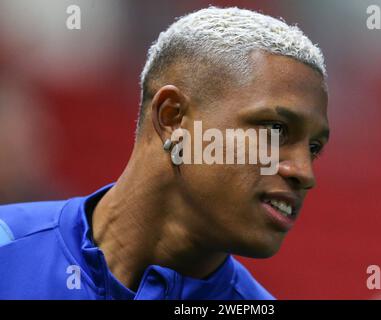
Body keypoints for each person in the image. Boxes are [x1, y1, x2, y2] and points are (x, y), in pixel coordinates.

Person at [0, 6, 329, 299]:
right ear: (172, 117)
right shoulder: (8, 248)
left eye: (314, 148)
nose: (303, 172)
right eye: (275, 130)